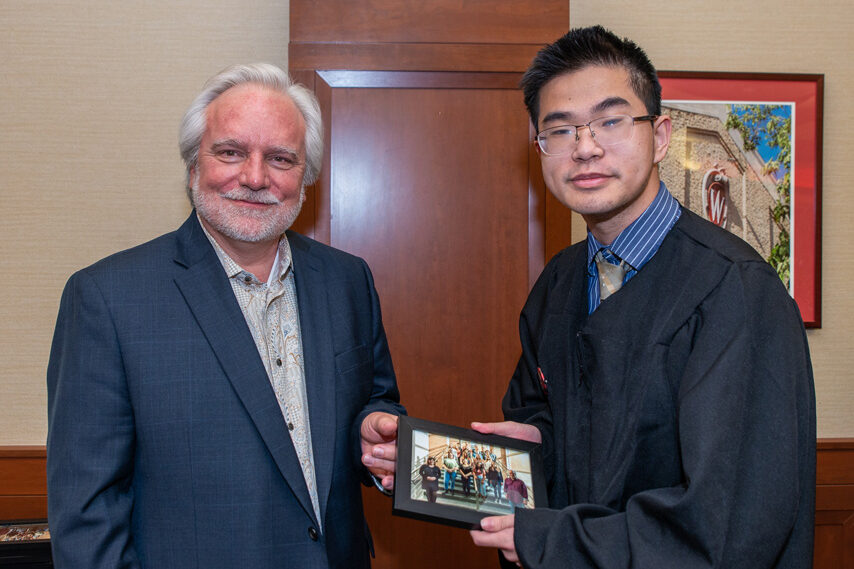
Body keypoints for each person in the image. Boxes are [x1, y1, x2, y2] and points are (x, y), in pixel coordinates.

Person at [470, 26, 815, 568]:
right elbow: (559, 423)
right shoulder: (557, 285)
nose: (585, 148)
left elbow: (729, 527)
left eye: (610, 121)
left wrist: (551, 542)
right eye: (558, 130)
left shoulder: (734, 292)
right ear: (539, 149)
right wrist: (535, 441)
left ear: (659, 136)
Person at [46, 63, 405, 569]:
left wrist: (375, 430)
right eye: (231, 152)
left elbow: (375, 400)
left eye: (280, 158)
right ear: (194, 166)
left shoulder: (347, 280)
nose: (254, 177)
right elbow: (86, 515)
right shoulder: (106, 298)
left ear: (306, 179)